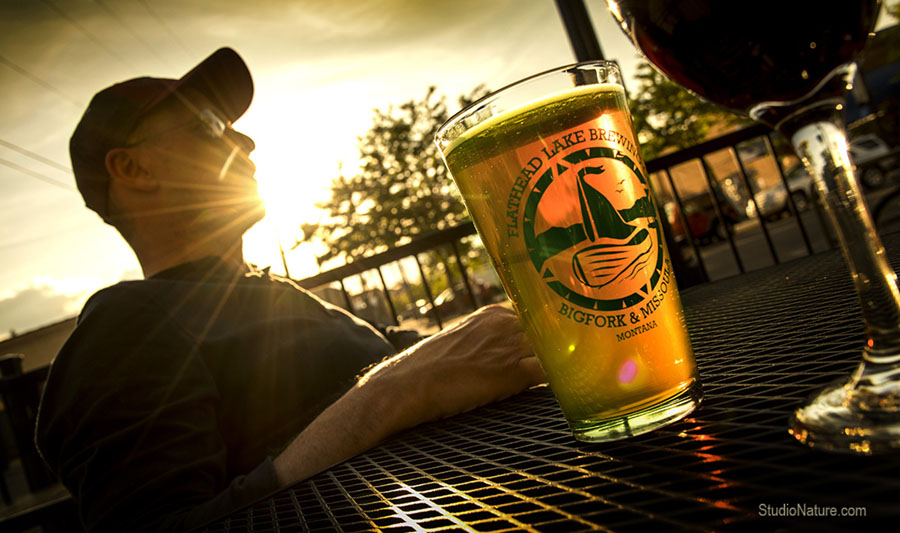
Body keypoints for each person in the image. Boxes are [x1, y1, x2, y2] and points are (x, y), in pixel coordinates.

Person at [35, 47, 544, 532]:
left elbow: (405, 353)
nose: (245, 142)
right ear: (133, 169)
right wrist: (394, 391)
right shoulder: (124, 327)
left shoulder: (271, 292)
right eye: (209, 126)